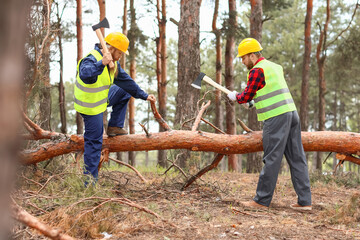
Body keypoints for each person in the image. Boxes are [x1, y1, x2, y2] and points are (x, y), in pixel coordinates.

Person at [227, 38, 312, 211]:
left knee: (272, 158)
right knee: (297, 158)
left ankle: (261, 200)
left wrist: (236, 97)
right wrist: (250, 103)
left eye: (243, 58)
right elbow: (267, 92)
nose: (242, 62)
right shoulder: (274, 67)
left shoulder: (257, 70)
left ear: (252, 55)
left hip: (276, 117)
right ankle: (305, 202)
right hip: (291, 113)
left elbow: (246, 95)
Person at [74, 32, 156, 183]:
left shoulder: (114, 64)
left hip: (101, 100)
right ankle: (89, 185)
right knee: (94, 142)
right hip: (90, 106)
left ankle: (114, 127)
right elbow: (85, 74)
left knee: (124, 90)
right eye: (120, 52)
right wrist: (101, 63)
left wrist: (144, 95)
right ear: (111, 49)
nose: (120, 56)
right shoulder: (92, 58)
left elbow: (127, 82)